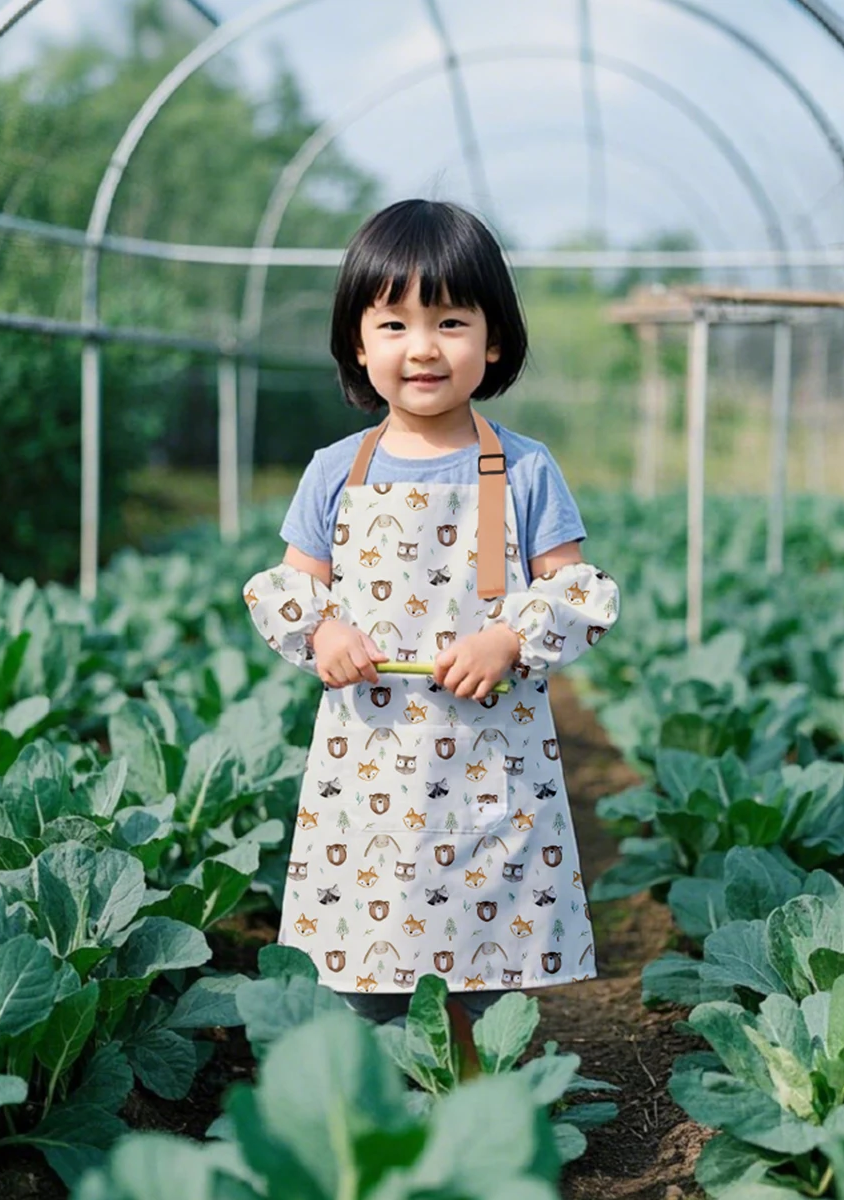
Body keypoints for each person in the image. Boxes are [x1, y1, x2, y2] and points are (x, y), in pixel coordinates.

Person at [242, 199, 620, 1076]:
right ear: (359, 345)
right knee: (367, 953)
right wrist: (323, 628)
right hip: (369, 761)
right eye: (395, 323)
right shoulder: (336, 469)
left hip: (488, 761)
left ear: (493, 343)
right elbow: (288, 588)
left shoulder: (525, 466)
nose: (423, 347)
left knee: (480, 965)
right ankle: (383, 1110)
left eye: (451, 321)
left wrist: (509, 640)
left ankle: (472, 1109)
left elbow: (576, 589)